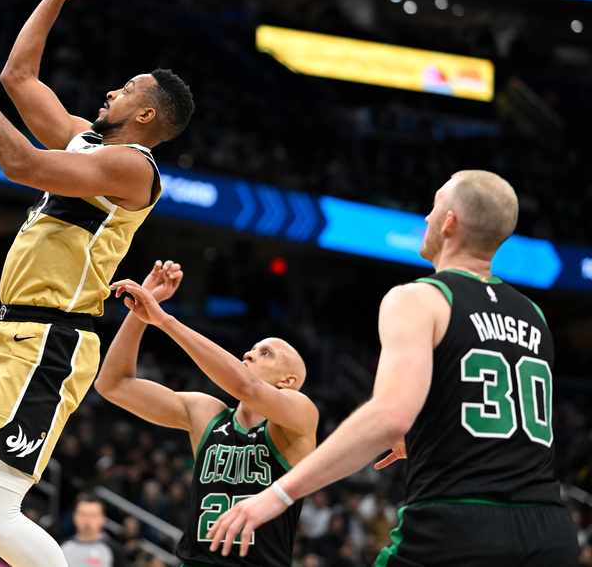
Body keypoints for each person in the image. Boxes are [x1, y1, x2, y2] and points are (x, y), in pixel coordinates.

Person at [0, 0, 195, 567]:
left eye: (126, 89)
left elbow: (19, 162)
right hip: (6, 335)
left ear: (146, 115)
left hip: (52, 339)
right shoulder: (86, 141)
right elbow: (18, 79)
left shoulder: (133, 168)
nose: (111, 92)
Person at [206, 170, 580, 566]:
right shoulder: (535, 315)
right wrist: (426, 428)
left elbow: (390, 415)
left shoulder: (420, 298)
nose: (426, 219)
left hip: (459, 525)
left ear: (449, 221)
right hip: (549, 532)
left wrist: (277, 494)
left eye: (434, 208)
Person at [99, 261, 318, 566]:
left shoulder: (301, 412)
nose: (248, 353)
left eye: (265, 353)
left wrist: (164, 321)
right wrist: (142, 307)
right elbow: (114, 385)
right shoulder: (207, 413)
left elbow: (247, 388)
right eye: (252, 349)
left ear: (288, 382)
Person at [60, 493, 127, 567]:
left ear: (102, 518)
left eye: (93, 515)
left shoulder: (114, 551)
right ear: (74, 517)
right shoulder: (61, 548)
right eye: (82, 514)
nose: (87, 520)